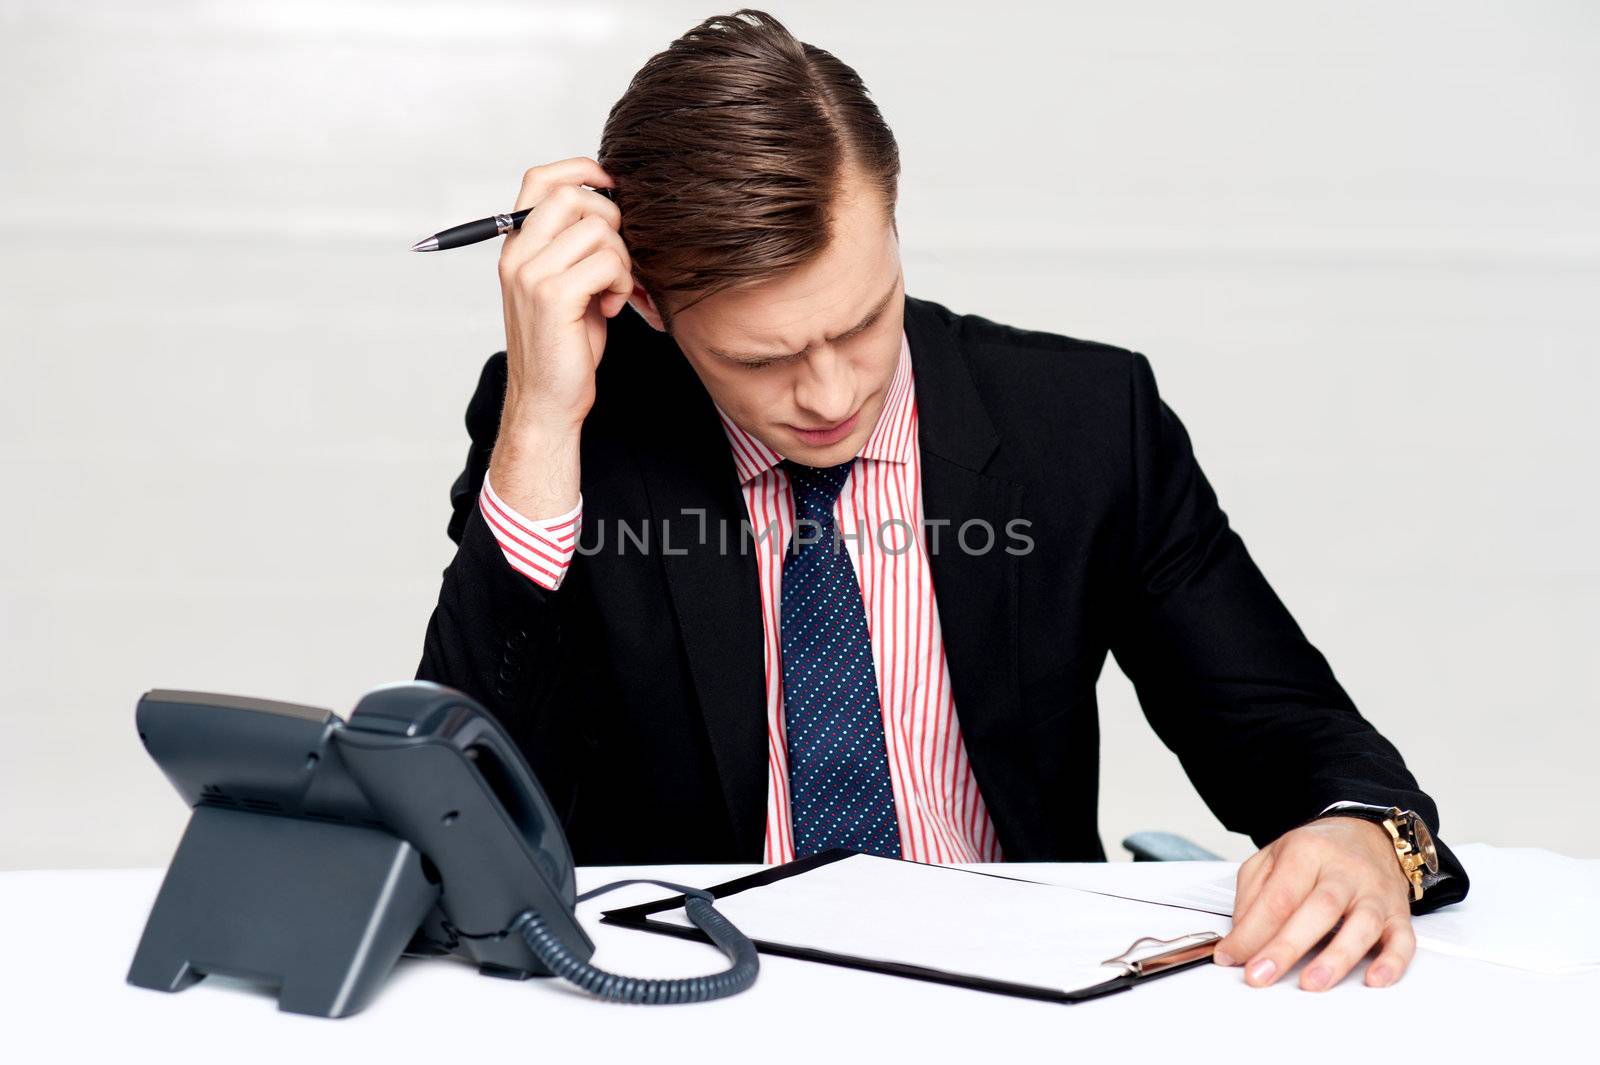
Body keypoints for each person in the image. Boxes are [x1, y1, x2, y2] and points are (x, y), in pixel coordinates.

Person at [415, 8, 1468, 993]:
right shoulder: (573, 427)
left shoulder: (1086, 424)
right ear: (646, 304)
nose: (830, 396)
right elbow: (464, 816)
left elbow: (1286, 729)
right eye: (761, 358)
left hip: (1015, 993)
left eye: (864, 321)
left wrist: (1356, 834)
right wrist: (544, 418)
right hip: (694, 990)